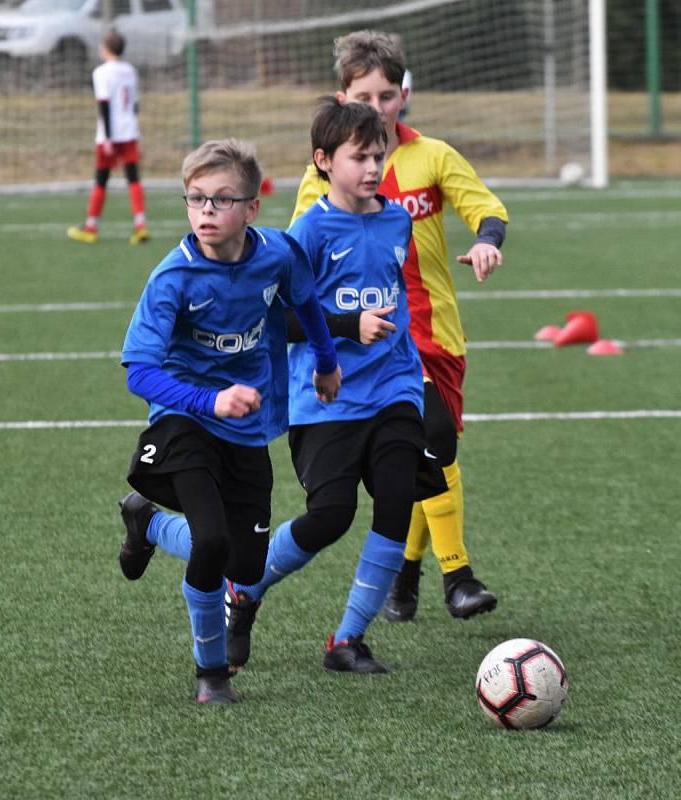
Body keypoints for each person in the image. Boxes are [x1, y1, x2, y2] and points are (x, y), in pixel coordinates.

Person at [291, 30, 509, 623]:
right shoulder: (322, 182)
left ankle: (405, 574)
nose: (380, 108)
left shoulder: (430, 156)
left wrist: (487, 243)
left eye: (389, 95)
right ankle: (458, 576)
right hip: (367, 349)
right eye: (366, 95)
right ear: (342, 97)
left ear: (403, 95)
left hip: (433, 332)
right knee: (430, 441)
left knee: (419, 457)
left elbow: (485, 208)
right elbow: (294, 273)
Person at [226, 97, 447, 675]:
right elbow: (282, 318)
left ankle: (347, 640)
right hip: (327, 398)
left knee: (398, 501)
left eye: (379, 155)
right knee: (332, 515)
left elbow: (394, 294)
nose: (372, 168)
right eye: (359, 158)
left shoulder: (398, 219)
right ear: (324, 161)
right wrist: (349, 326)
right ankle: (245, 589)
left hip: (395, 387)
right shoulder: (309, 232)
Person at [116, 138, 341, 705]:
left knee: (246, 562)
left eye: (221, 199)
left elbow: (307, 303)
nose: (207, 212)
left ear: (252, 206)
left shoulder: (277, 254)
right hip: (183, 422)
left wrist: (327, 364)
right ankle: (210, 674)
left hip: (245, 429)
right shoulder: (173, 278)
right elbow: (139, 371)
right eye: (196, 200)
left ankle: (148, 525)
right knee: (212, 543)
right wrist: (208, 401)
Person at [67, 30, 149, 246]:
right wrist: (132, 127)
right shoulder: (130, 71)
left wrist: (109, 138)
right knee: (133, 178)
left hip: (110, 135)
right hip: (130, 131)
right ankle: (141, 225)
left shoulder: (101, 72)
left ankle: (91, 227)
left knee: (101, 179)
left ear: (107, 48)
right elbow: (135, 104)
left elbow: (104, 104)